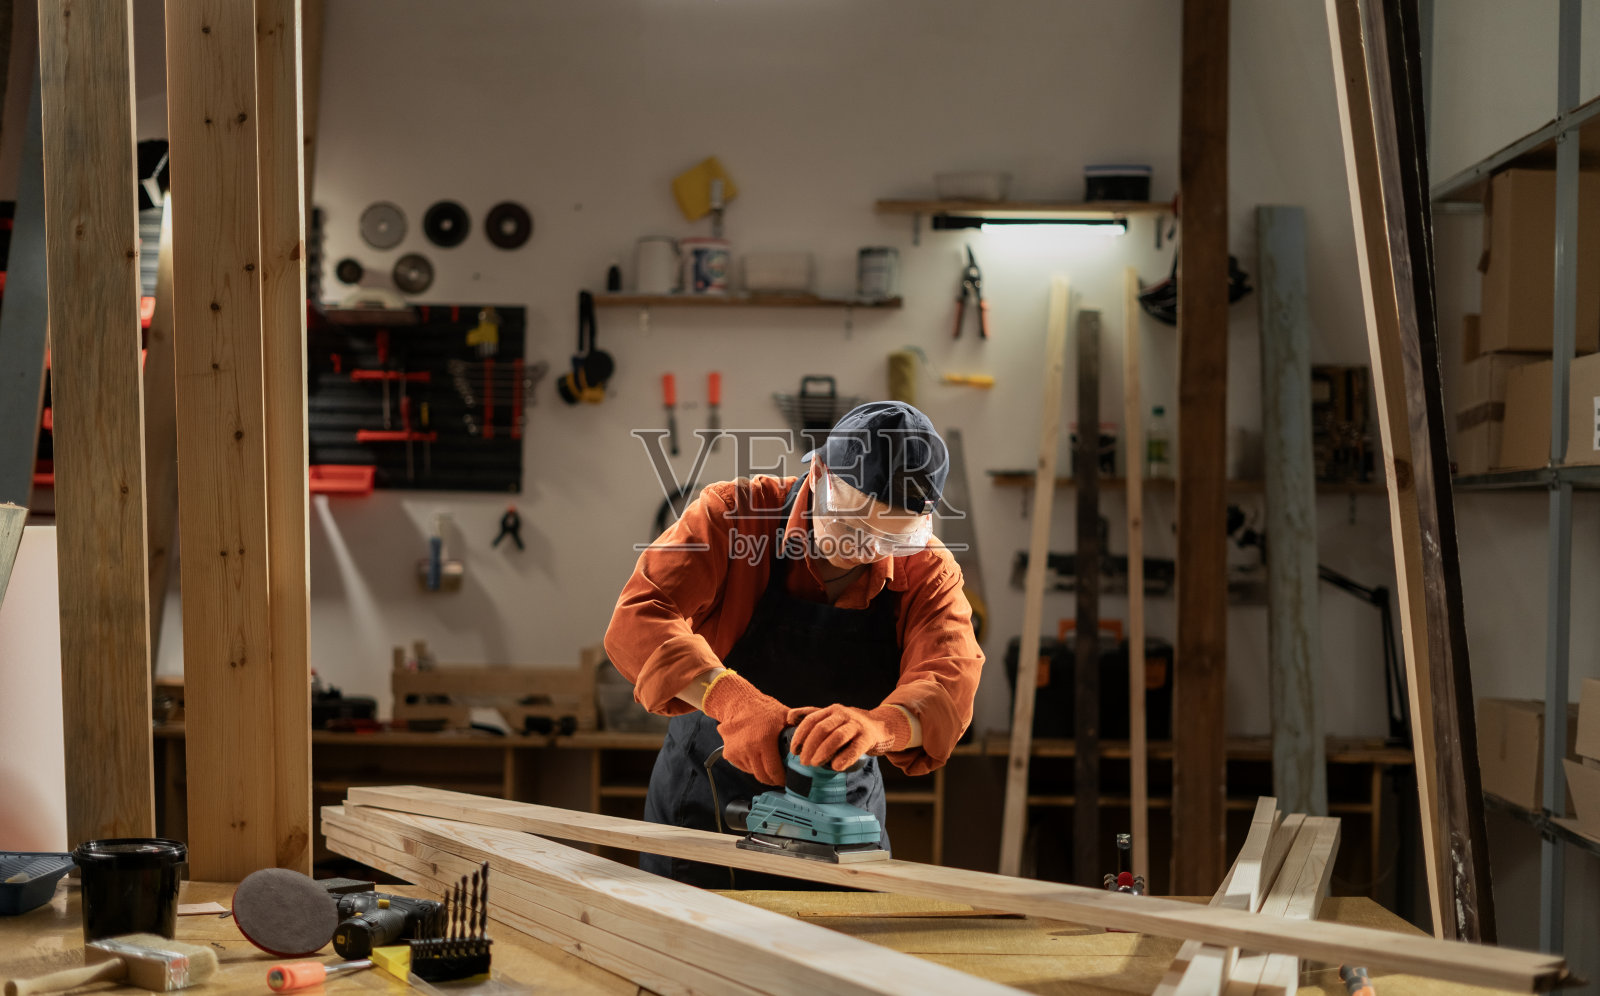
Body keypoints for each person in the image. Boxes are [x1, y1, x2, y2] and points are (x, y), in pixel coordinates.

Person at [603, 401, 984, 886]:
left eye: (889, 540)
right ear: (819, 473)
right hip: (708, 798)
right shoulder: (732, 516)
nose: (864, 551)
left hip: (842, 808)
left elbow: (948, 681)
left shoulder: (928, 569)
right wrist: (731, 700)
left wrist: (877, 727)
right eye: (850, 526)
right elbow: (640, 616)